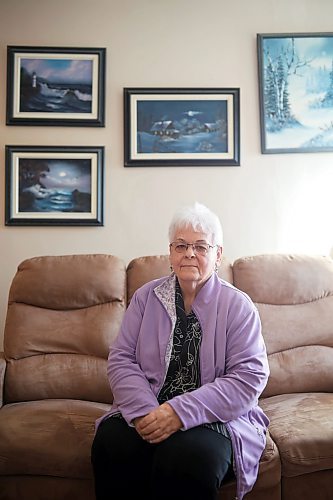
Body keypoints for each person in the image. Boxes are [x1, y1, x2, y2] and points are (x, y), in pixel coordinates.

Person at [91, 202, 270, 500]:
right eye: (181, 245)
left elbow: (249, 378)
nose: (189, 253)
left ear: (218, 254)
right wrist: (146, 413)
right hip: (146, 407)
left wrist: (177, 412)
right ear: (170, 253)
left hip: (214, 417)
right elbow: (122, 359)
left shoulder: (238, 306)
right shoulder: (145, 298)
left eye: (201, 246)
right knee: (112, 445)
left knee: (187, 459)